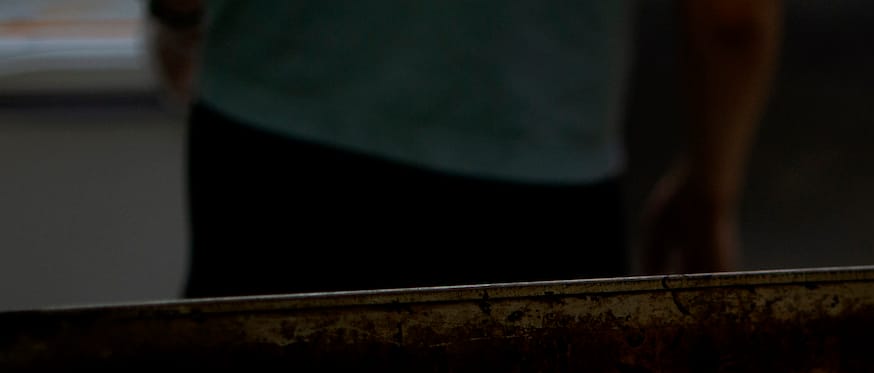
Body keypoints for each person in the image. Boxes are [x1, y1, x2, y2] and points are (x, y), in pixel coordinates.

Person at [145, 0, 782, 297]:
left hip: (272, 153)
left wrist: (178, 18)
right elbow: (731, 19)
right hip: (530, 183)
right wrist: (710, 191)